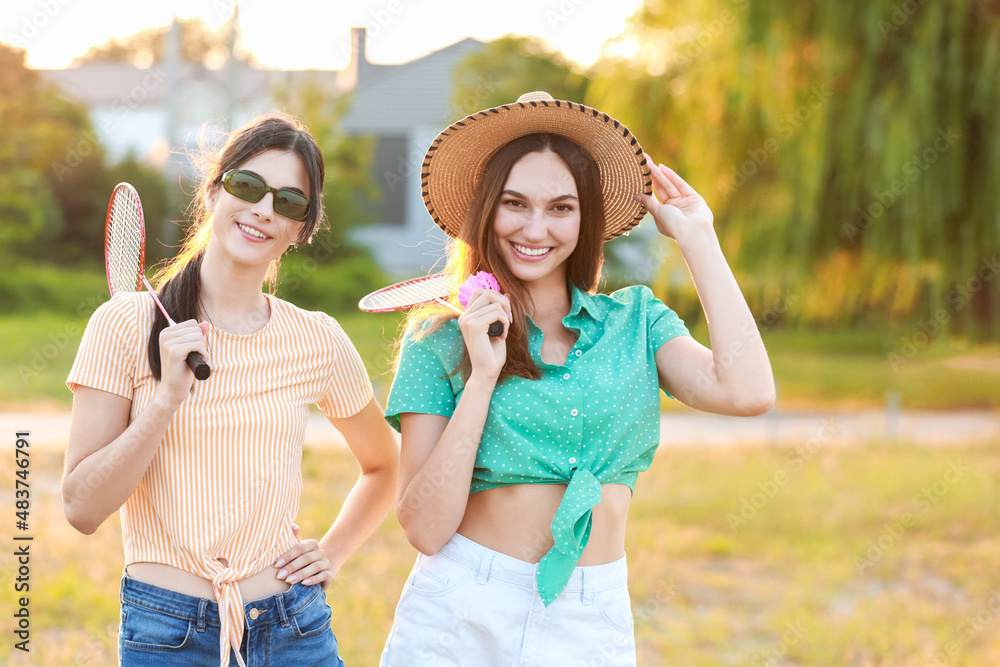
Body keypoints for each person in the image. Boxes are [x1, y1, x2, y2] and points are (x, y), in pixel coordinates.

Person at [379, 92, 775, 666]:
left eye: (561, 207)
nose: (535, 228)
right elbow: (424, 529)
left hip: (591, 614)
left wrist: (699, 239)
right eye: (515, 203)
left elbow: (749, 391)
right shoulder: (440, 340)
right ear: (487, 208)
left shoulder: (636, 323)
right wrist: (483, 377)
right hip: (464, 607)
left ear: (585, 217)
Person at [62, 112, 399, 667]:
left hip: (292, 628)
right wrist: (166, 398)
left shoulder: (317, 338)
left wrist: (332, 555)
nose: (265, 209)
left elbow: (385, 465)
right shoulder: (124, 324)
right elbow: (81, 508)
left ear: (302, 228)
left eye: (289, 202)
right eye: (248, 186)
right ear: (215, 191)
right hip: (166, 632)